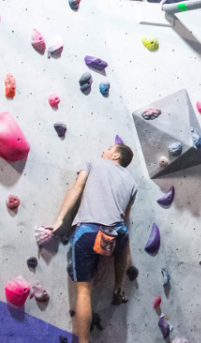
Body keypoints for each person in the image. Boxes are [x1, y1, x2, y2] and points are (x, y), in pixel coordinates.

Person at [43, 145, 137, 343]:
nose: (104, 151)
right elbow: (125, 217)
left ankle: (83, 340)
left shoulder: (93, 161)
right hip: (115, 234)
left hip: (90, 231)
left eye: (109, 148)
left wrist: (60, 218)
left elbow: (76, 188)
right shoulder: (132, 181)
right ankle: (118, 286)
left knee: (84, 290)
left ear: (116, 155)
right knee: (121, 244)